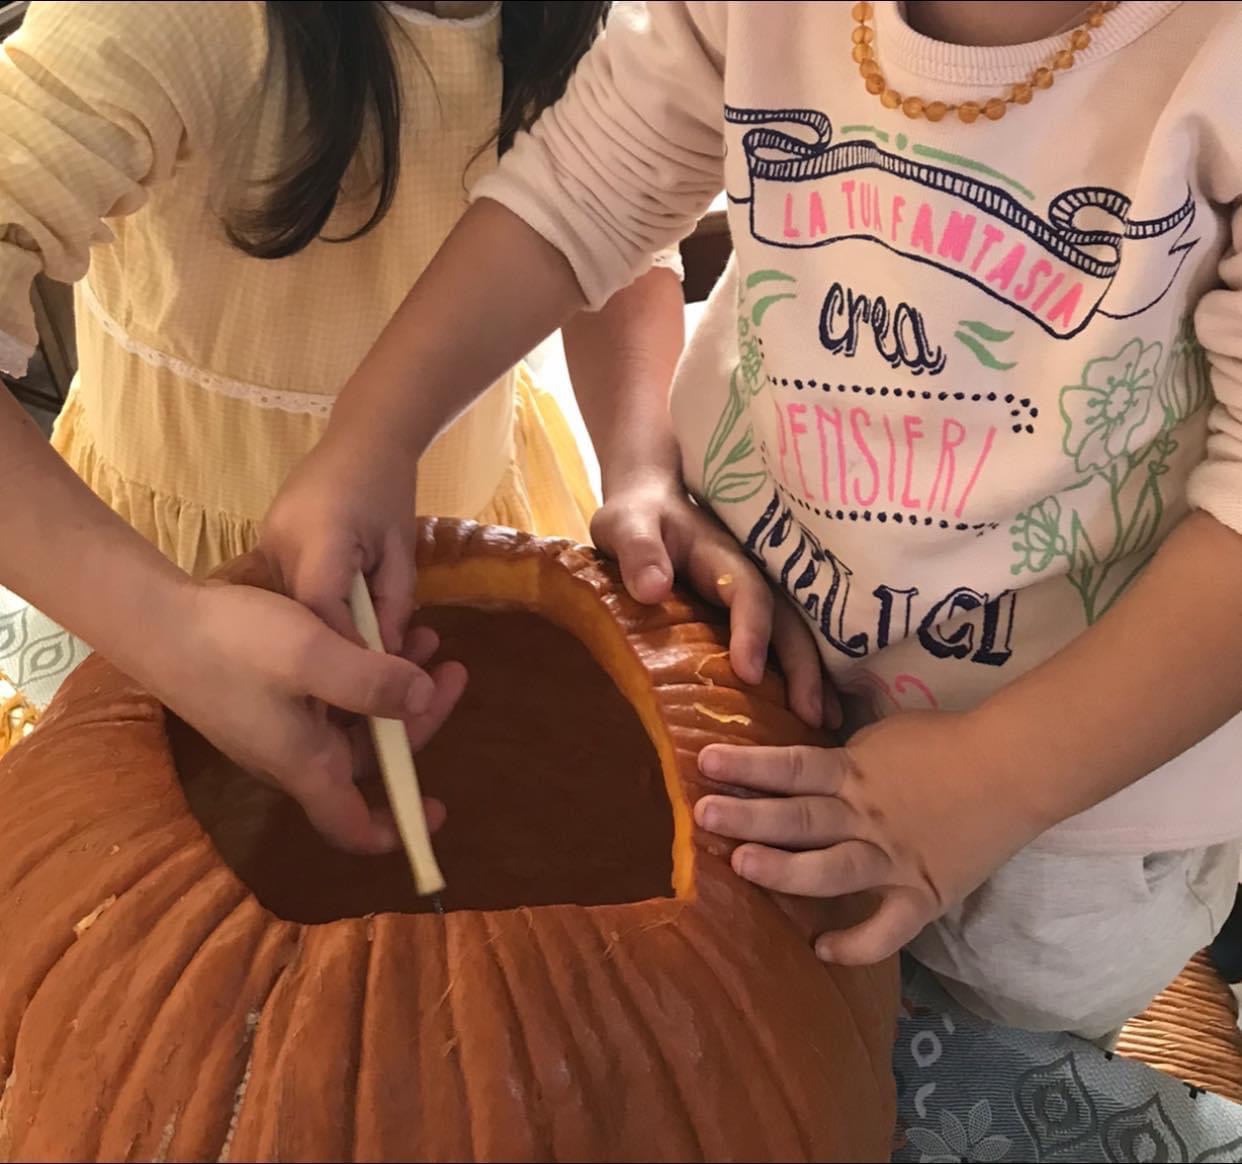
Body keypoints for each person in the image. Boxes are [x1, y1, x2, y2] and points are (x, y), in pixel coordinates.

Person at [261, 0, 1242, 1042]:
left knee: (992, 1061)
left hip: (1066, 799)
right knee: (737, 1027)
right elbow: (588, 185)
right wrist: (375, 431)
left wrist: (1000, 780)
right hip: (751, 649)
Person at [0, 1, 729, 846]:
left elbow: (615, 230)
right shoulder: (165, 18)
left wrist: (639, 465)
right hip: (152, 569)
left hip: (463, 518)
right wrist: (174, 633)